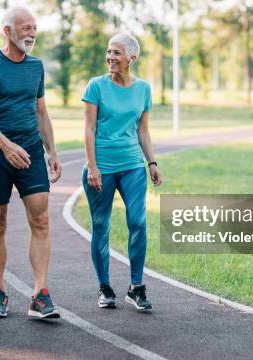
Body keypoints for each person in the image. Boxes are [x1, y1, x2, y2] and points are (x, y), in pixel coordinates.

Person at [0, 7, 62, 319]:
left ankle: (39, 294)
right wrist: (5, 145)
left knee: (42, 220)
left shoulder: (37, 67)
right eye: (25, 28)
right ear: (8, 31)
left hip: (31, 153)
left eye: (34, 28)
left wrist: (51, 151)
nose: (31, 33)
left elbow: (41, 112)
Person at [82, 32, 163, 311]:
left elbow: (143, 129)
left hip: (132, 166)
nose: (110, 57)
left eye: (116, 53)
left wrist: (151, 162)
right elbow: (89, 129)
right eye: (108, 52)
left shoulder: (143, 90)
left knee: (138, 222)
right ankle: (105, 287)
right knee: (101, 226)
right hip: (101, 167)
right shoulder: (96, 86)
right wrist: (92, 166)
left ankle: (136, 286)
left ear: (132, 57)